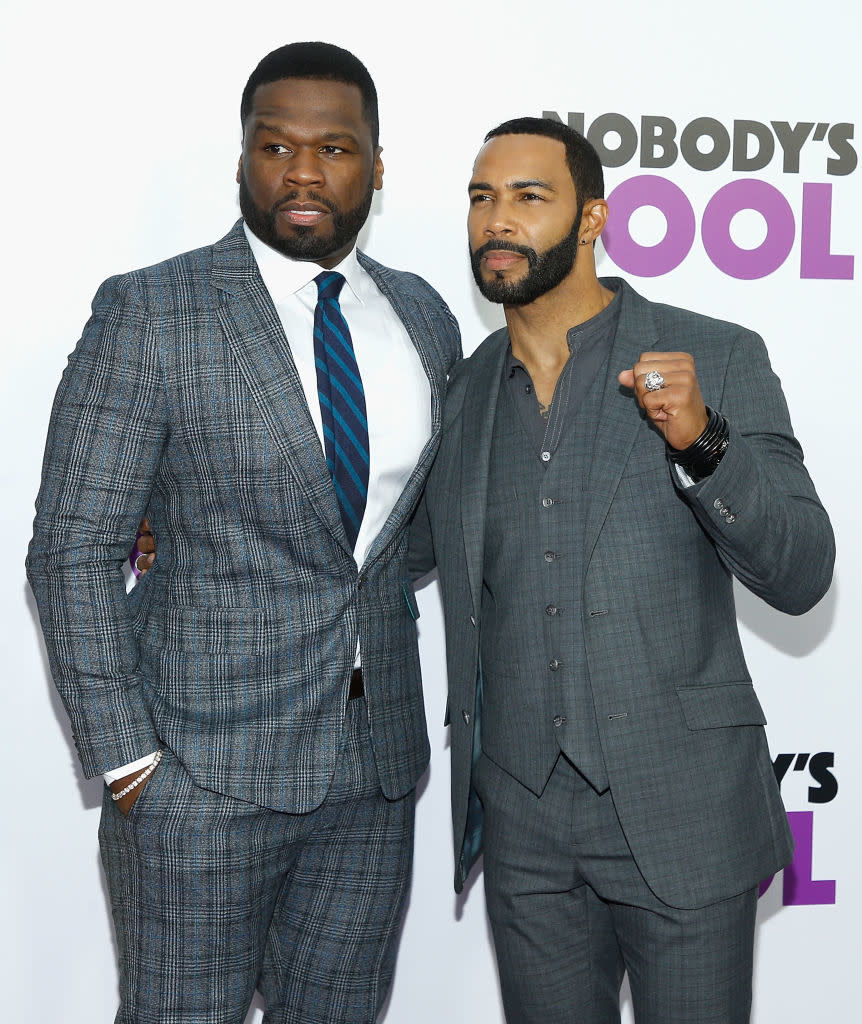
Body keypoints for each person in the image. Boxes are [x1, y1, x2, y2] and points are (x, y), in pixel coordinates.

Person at [26, 41, 460, 1024]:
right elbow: (71, 553)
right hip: (197, 774)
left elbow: (405, 541)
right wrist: (132, 766)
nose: (302, 172)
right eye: (274, 145)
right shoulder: (153, 311)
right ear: (242, 158)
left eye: (335, 148)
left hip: (374, 775)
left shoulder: (426, 318)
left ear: (377, 167)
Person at [409, 117, 835, 1023]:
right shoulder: (462, 389)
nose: (497, 220)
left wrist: (705, 441)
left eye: (529, 196)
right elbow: (399, 548)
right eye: (482, 197)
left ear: (593, 217)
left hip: (682, 808)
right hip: (524, 829)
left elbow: (802, 572)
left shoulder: (716, 352)